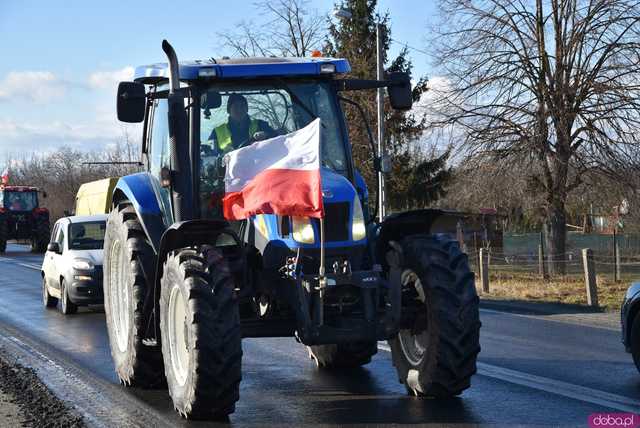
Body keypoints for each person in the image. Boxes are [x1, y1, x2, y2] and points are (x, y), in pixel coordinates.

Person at [209, 94, 274, 154]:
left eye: (242, 106)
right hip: (228, 166)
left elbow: (276, 139)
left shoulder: (261, 125)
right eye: (236, 106)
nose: (239, 110)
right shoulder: (216, 132)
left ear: (247, 109)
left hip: (259, 165)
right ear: (229, 110)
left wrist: (266, 135)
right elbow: (210, 156)